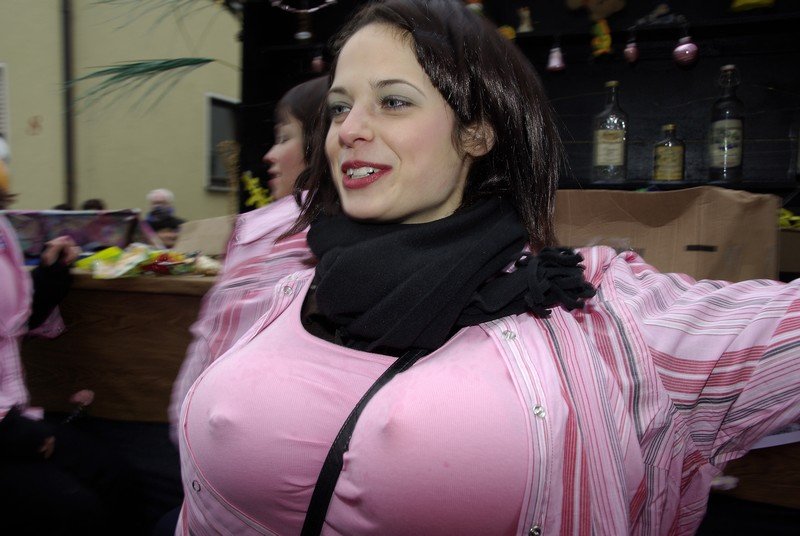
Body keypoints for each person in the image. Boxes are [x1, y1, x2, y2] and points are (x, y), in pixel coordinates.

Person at [173, 1, 800, 535]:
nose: (349, 130)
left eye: (393, 101)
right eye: (339, 107)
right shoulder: (282, 283)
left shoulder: (594, 313)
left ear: (476, 133)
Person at [166, 75, 328, 446]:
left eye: (284, 137)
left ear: (322, 142)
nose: (269, 155)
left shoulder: (265, 235)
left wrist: (183, 429)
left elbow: (213, 346)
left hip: (231, 438)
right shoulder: (379, 228)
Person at [0, 163, 135, 534]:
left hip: (14, 417)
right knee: (78, 511)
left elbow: (13, 322)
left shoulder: (3, 233)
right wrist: (8, 431)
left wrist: (50, 277)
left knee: (115, 477)